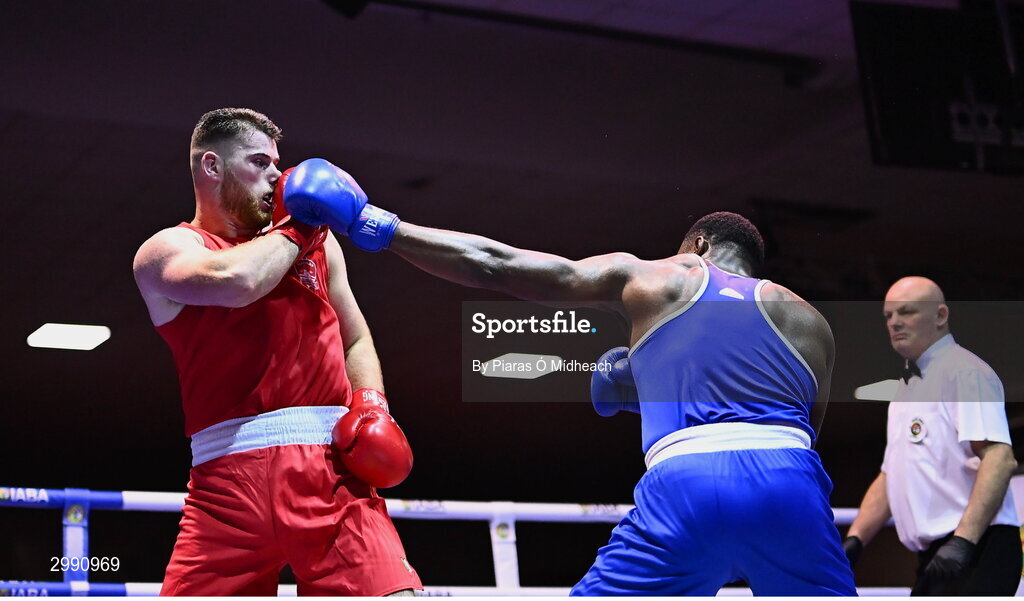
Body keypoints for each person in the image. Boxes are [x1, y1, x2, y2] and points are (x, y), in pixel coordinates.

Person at [279, 157, 857, 595]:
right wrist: (656, 390)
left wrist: (375, 224)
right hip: (793, 488)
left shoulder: (662, 276)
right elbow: (800, 431)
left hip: (689, 485)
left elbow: (498, 265)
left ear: (698, 246)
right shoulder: (812, 321)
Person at [131, 110, 421, 596]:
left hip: (331, 471)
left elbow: (355, 338)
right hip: (226, 486)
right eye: (259, 162)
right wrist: (300, 227)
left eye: (278, 163)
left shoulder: (320, 249)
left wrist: (371, 402)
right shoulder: (167, 249)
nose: (276, 176)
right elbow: (238, 282)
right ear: (211, 167)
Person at [844, 276, 1020, 595]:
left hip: (978, 546)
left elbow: (999, 458)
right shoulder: (907, 389)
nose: (895, 322)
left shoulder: (964, 372)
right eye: (888, 315)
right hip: (939, 553)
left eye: (907, 312)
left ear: (940, 315)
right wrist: (855, 540)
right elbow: (891, 473)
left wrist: (963, 541)